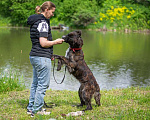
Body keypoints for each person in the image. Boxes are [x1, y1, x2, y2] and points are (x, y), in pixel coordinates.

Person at [26, 1, 64, 117]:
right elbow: (43, 43)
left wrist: (50, 54)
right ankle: (36, 111)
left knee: (36, 84)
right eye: (52, 12)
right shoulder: (43, 23)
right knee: (42, 85)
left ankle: (31, 108)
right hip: (41, 57)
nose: (53, 14)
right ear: (46, 10)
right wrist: (56, 42)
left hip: (35, 56)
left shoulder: (36, 21)